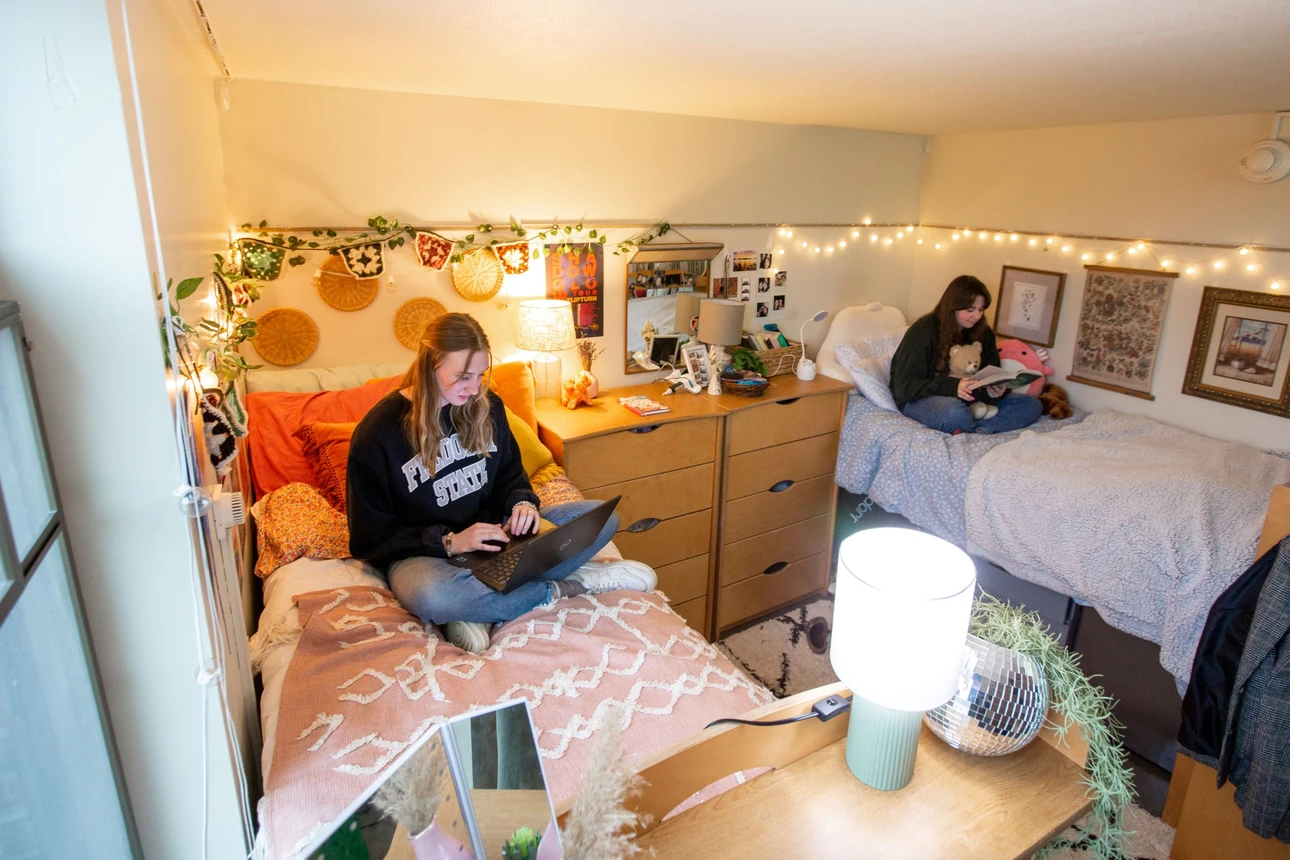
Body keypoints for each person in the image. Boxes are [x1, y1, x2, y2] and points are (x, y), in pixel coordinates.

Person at [347, 313, 656, 653]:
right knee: (430, 597)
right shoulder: (379, 433)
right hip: (425, 556)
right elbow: (368, 539)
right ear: (429, 365)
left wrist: (522, 504)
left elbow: (511, 475)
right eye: (463, 377)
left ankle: (473, 609)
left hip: (498, 539)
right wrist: (449, 542)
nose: (474, 387)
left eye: (480, 375)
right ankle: (569, 587)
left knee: (602, 517)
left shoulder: (487, 406)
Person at [889, 275, 1042, 435]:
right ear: (952, 307)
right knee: (955, 412)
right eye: (970, 310)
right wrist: (954, 386)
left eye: (981, 310)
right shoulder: (923, 331)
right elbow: (904, 388)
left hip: (973, 399)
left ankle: (980, 429)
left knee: (1031, 405)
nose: (977, 316)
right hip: (922, 399)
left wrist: (995, 390)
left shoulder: (983, 332)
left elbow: (990, 372)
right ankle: (973, 421)